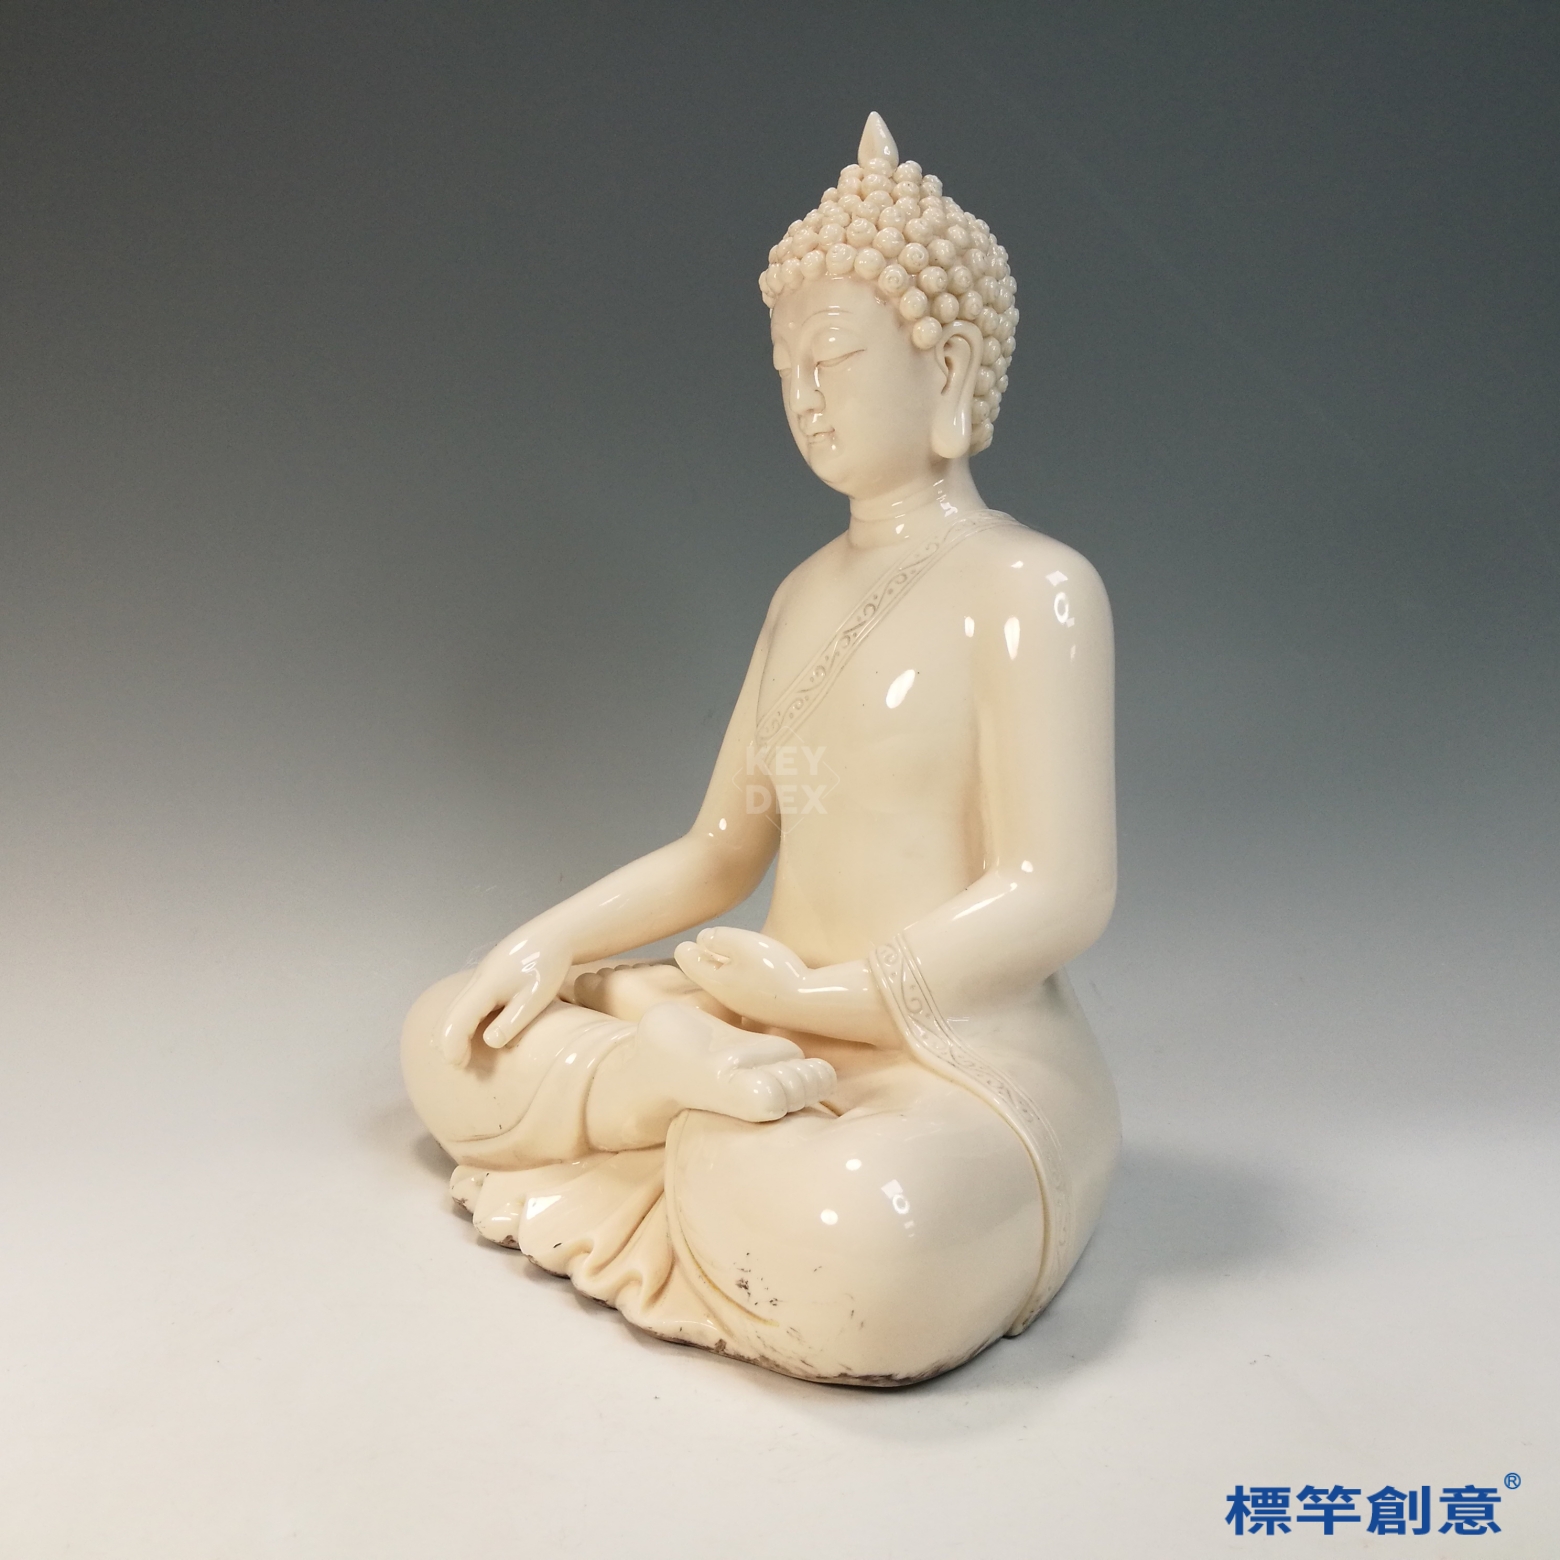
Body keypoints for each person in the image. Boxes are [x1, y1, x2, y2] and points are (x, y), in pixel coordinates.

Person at [401, 114, 1120, 1385]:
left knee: (870, 1241)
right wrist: (551, 940)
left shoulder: (1031, 587)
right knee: (448, 1033)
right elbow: (719, 851)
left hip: (949, 1057)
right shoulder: (802, 594)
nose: (806, 394)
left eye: (834, 355)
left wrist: (830, 1005)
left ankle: (668, 1106)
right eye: (786, 364)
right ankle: (687, 1092)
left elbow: (1057, 890)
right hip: (757, 1019)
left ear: (950, 370)